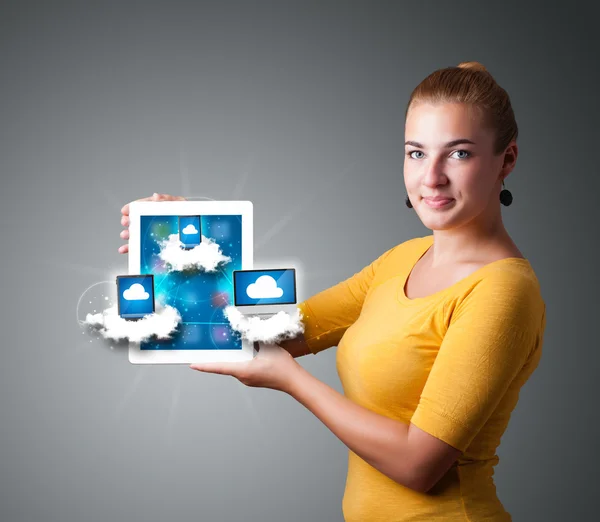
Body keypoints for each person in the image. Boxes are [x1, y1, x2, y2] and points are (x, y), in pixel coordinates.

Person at [118, 61, 546, 521]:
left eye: (459, 154)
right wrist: (197, 239)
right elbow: (265, 336)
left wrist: (292, 382)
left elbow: (418, 464)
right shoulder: (403, 258)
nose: (432, 177)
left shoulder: (502, 292)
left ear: (508, 158)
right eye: (416, 153)